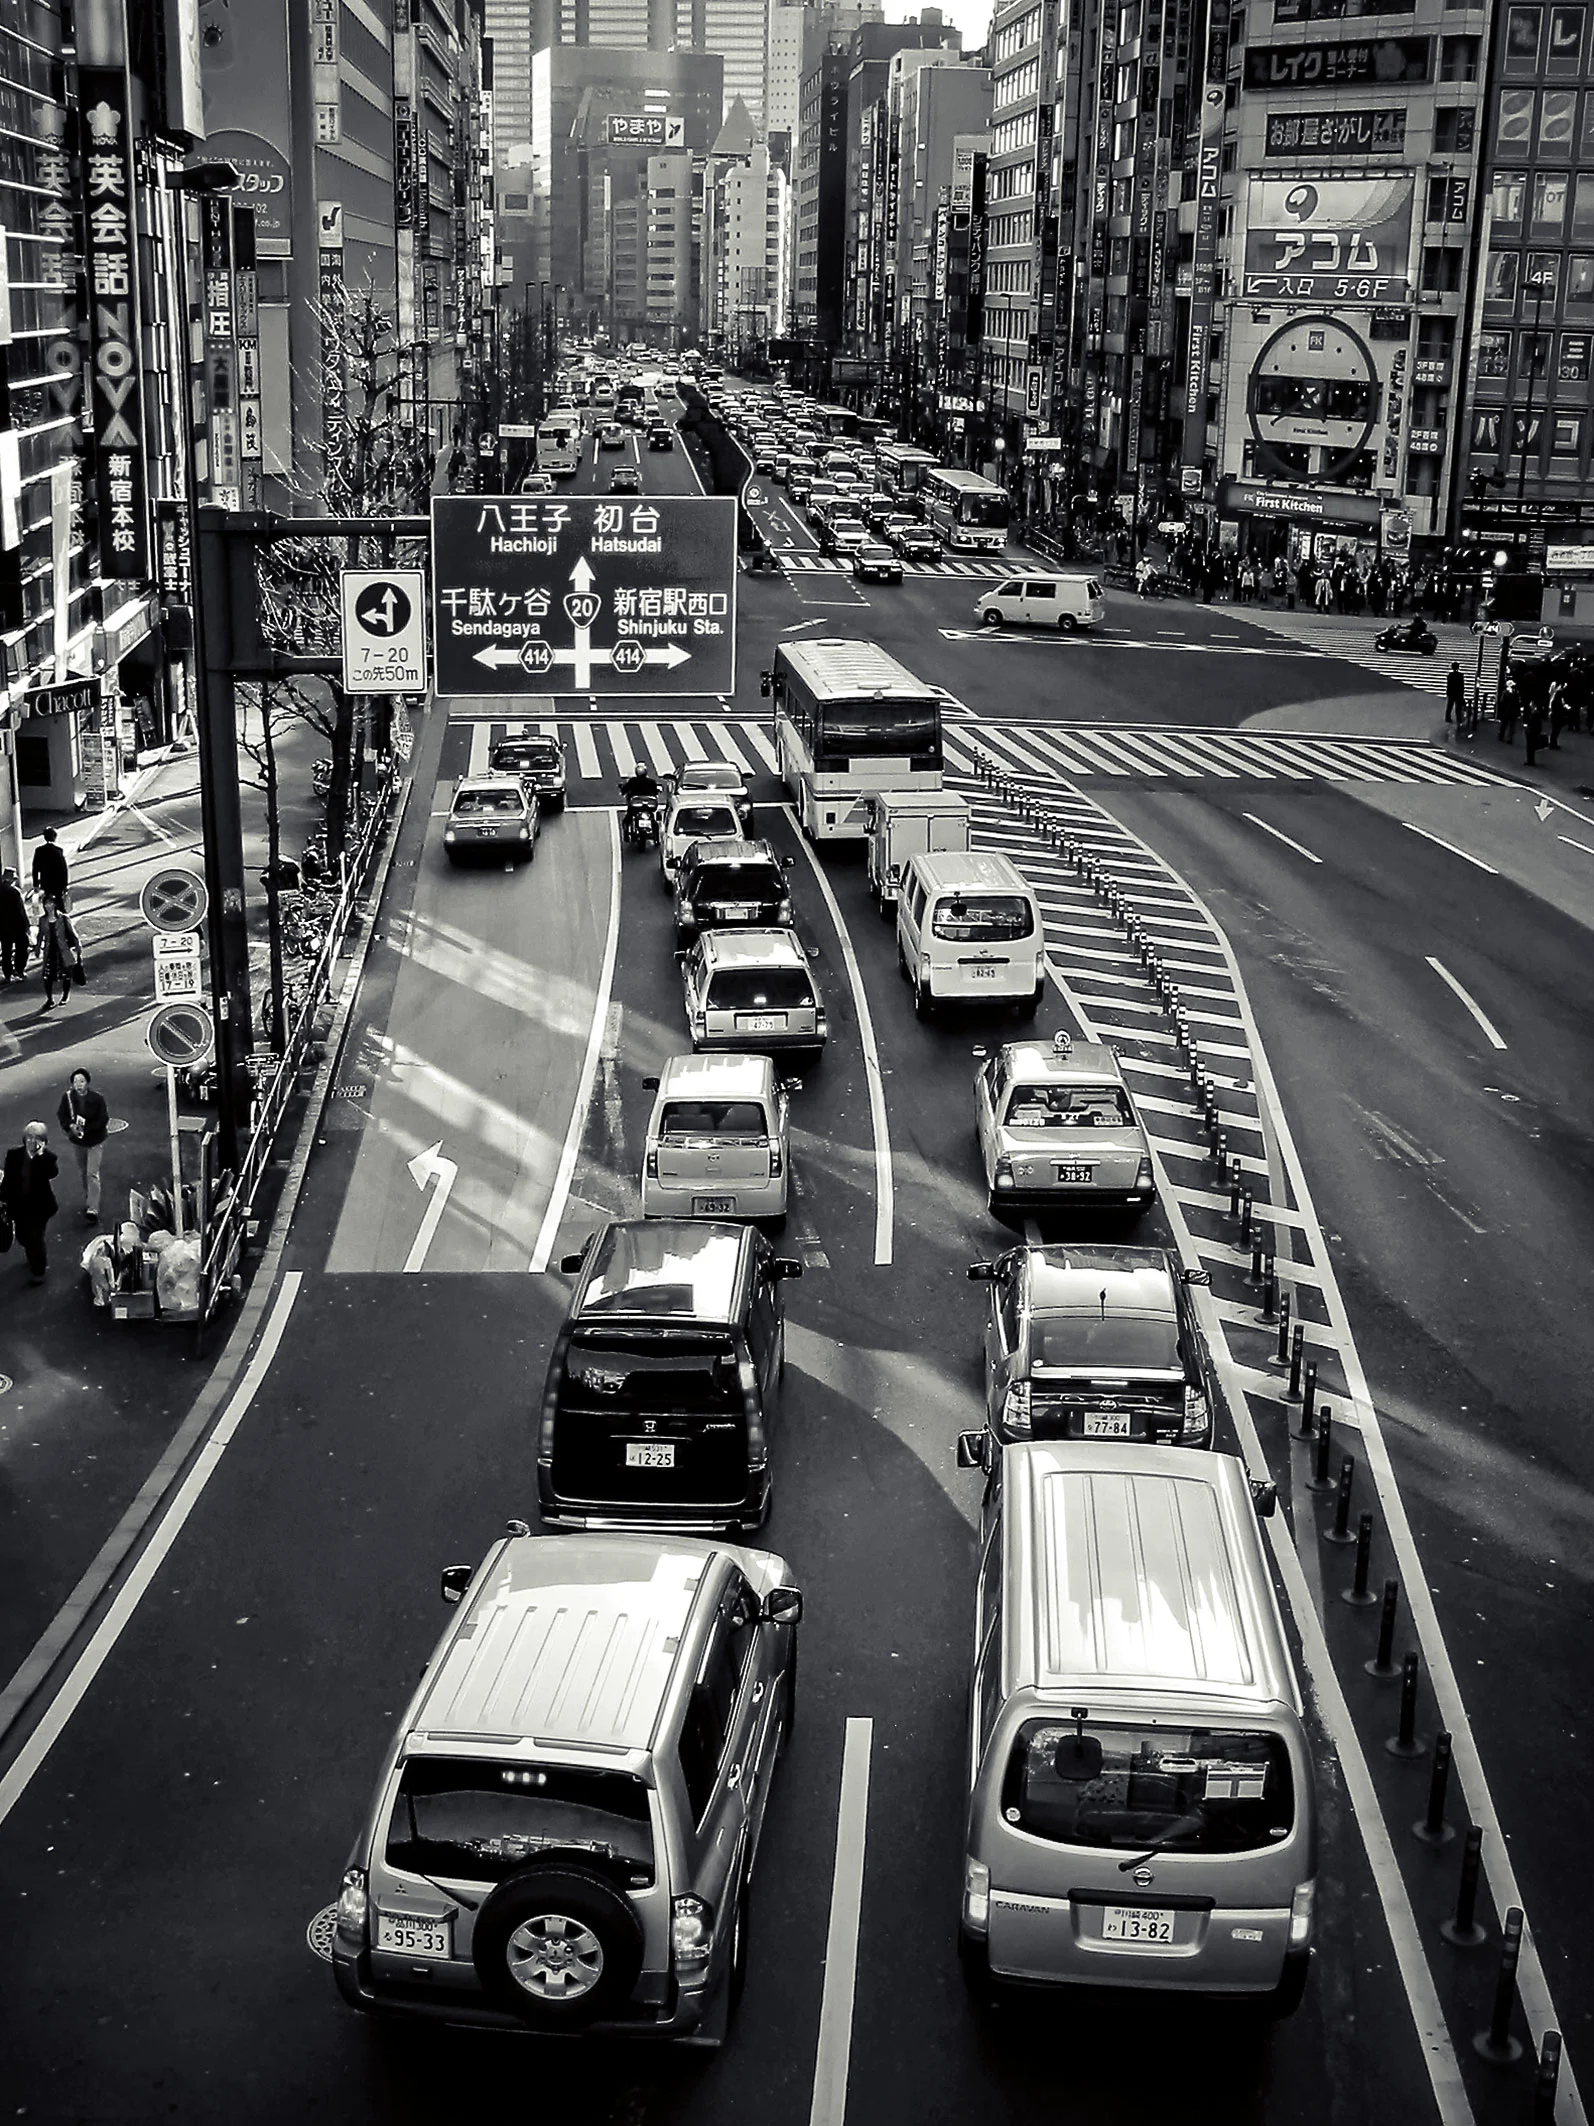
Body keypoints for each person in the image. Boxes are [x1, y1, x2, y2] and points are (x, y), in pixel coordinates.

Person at [2, 1121, 59, 1284]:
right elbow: (8, 1179)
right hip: (18, 1205)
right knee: (22, 1236)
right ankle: (33, 1254)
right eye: (29, 1137)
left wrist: (40, 1155)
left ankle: (38, 1270)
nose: (32, 1141)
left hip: (39, 1207)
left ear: (43, 1141)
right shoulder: (14, 1155)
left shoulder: (48, 1158)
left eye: (37, 1138)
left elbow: (52, 1173)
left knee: (35, 1238)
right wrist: (2, 1198)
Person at [57, 1066, 108, 1225]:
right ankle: (89, 1198)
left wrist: (87, 1130)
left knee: (92, 1173)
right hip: (78, 1141)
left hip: (95, 1140)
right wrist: (70, 1126)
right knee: (83, 1172)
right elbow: (62, 1115)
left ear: (87, 1082)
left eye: (82, 1081)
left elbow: (103, 1119)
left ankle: (93, 1208)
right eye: (75, 1082)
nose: (78, 1084)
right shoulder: (68, 1098)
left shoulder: (98, 1099)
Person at [35, 896, 77, 1010]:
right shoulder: (43, 919)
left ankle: (65, 996)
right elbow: (40, 935)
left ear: (55, 904)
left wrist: (78, 948)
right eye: (46, 904)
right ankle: (49, 999)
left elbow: (73, 934)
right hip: (50, 951)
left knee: (66, 975)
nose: (48, 906)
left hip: (63, 950)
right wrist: (38, 948)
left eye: (50, 903)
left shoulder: (63, 918)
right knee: (47, 976)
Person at [0, 866, 29, 982]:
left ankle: (7, 973)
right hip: (16, 926)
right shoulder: (14, 892)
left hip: (2, 927)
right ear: (12, 879)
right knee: (22, 947)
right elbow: (20, 911)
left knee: (6, 950)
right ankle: (19, 969)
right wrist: (26, 925)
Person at [31, 826, 68, 904]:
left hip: (45, 881)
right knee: (59, 901)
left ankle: (48, 914)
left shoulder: (39, 851)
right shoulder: (58, 850)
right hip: (58, 882)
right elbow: (64, 869)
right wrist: (65, 885)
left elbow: (35, 868)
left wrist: (36, 884)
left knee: (48, 900)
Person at [1445, 661, 1467, 726]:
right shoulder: (1460, 675)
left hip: (1451, 692)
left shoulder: (1450, 675)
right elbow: (1462, 685)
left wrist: (1448, 692)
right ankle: (1458, 719)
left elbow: (1449, 685)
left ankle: (1448, 718)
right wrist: (1462, 693)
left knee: (1449, 706)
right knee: (1458, 707)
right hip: (1458, 693)